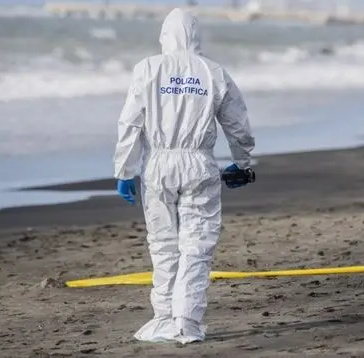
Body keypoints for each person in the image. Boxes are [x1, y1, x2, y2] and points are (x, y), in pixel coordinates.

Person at [112, 8, 255, 344]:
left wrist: (125, 170)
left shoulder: (148, 69)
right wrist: (243, 162)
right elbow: (237, 123)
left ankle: (163, 317)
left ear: (165, 37)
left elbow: (131, 122)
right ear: (195, 37)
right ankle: (187, 321)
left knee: (162, 243)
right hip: (199, 165)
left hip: (158, 166)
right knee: (197, 244)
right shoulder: (212, 72)